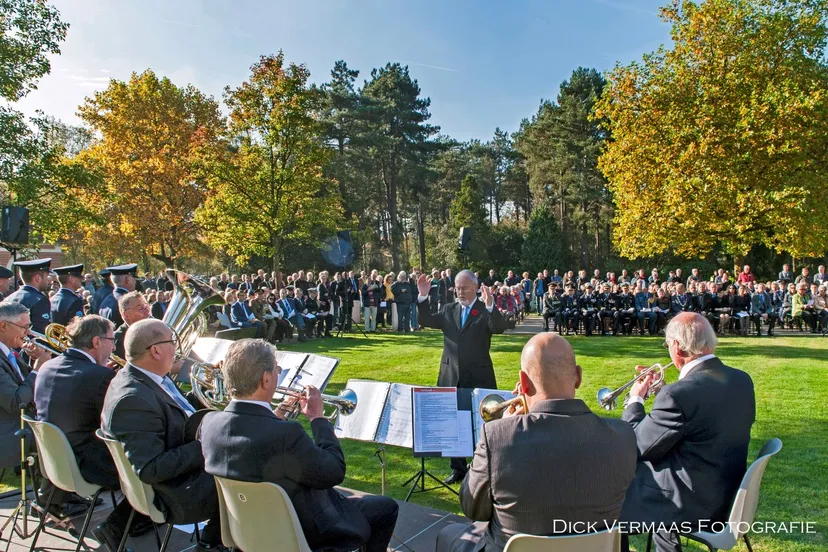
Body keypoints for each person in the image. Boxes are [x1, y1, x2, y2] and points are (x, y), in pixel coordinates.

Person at [436, 333, 637, 552]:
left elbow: (472, 507)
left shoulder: (497, 437)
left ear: (523, 383)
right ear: (578, 377)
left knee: (448, 534)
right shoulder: (623, 435)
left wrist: (507, 429)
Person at [200, 339, 398, 552]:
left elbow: (249, 444)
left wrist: (275, 417)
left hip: (247, 531)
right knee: (386, 508)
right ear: (266, 380)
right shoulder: (287, 434)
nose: (278, 374)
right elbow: (334, 471)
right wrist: (318, 419)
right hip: (301, 533)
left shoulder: (209, 423)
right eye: (277, 369)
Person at [620, 313, 755, 552]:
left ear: (678, 348)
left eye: (667, 344)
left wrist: (636, 400)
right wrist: (665, 392)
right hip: (729, 497)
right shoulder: (741, 380)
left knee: (611, 490)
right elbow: (702, 423)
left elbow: (638, 446)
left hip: (690, 504)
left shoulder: (679, 395)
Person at [101, 319, 224, 551]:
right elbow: (150, 468)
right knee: (249, 467)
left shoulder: (149, 377)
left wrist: (209, 394)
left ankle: (218, 539)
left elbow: (179, 411)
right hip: (175, 492)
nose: (177, 349)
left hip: (181, 473)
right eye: (172, 343)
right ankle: (212, 542)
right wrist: (208, 443)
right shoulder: (133, 398)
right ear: (155, 350)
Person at [34, 316, 153, 550]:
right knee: (154, 465)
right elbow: (123, 423)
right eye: (111, 339)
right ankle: (117, 525)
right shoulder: (98, 377)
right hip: (87, 465)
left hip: (55, 463)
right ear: (97, 342)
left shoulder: (47, 366)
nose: (113, 345)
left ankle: (138, 518)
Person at [416, 269, 508, 484]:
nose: (461, 292)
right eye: (457, 288)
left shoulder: (484, 310)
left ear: (476, 288)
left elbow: (500, 327)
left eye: (465, 288)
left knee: (480, 423)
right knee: (453, 424)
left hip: (478, 376)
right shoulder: (449, 310)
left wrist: (490, 305)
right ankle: (458, 469)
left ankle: (481, 468)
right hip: (451, 376)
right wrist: (422, 296)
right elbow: (426, 319)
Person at [3, 258, 53, 334]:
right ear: (38, 278)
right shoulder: (40, 300)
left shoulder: (8, 298)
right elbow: (40, 333)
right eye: (46, 277)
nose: (48, 281)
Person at [98, 264, 139, 328]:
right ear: (127, 280)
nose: (135, 281)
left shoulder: (105, 301)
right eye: (134, 278)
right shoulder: (129, 302)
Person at [113, 291, 151, 359]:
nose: (147, 310)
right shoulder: (117, 341)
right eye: (141, 308)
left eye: (146, 306)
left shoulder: (155, 328)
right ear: (126, 315)